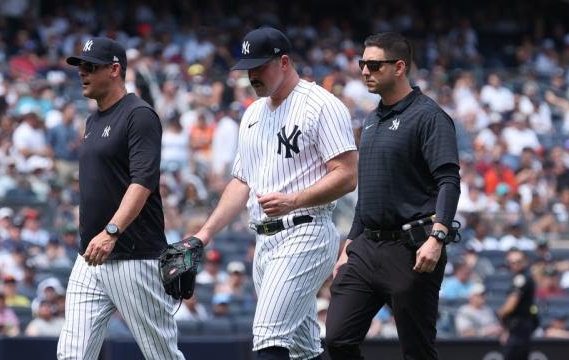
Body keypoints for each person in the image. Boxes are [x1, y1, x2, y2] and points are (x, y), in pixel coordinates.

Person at [192, 26, 358, 360]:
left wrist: (294, 200)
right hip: (265, 242)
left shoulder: (321, 105)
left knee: (268, 336)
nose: (252, 75)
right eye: (247, 68)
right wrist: (204, 234)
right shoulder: (253, 113)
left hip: (306, 231)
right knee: (302, 348)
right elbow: (241, 182)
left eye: (259, 66)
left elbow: (347, 175)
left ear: (284, 62)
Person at [325, 32, 461, 360]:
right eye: (362, 64)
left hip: (412, 248)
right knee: (337, 340)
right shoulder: (372, 120)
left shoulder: (429, 116)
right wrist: (350, 243)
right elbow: (369, 190)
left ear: (399, 67)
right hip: (367, 248)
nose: (364, 71)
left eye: (373, 64)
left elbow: (449, 180)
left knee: (417, 351)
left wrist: (438, 236)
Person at [57, 37, 185, 359]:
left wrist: (112, 231)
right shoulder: (92, 120)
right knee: (71, 354)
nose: (81, 73)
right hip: (89, 256)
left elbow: (142, 183)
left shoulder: (138, 115)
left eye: (90, 67)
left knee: (162, 355)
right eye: (79, 67)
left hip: (132, 254)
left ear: (115, 69)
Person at [497, 248, 538, 360]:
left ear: (525, 261)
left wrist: (500, 313)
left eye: (518, 261)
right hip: (521, 327)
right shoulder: (522, 277)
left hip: (518, 328)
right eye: (512, 262)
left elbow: (510, 306)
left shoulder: (521, 278)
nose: (515, 265)